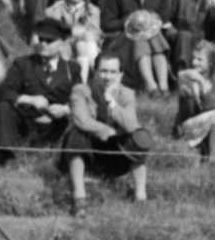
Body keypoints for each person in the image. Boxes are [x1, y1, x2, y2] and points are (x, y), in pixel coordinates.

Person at [63, 52, 152, 212]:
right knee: (76, 133)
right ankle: (79, 197)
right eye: (103, 71)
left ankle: (140, 197)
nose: (107, 77)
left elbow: (131, 125)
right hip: (89, 150)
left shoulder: (127, 93)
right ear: (95, 71)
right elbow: (81, 120)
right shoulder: (80, 90)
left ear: (120, 74)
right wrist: (110, 130)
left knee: (140, 137)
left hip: (115, 153)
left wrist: (110, 100)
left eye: (113, 72)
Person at [0, 20, 82, 163]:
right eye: (41, 39)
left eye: (50, 40)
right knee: (4, 106)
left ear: (62, 42)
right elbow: (3, 92)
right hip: (26, 121)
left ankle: (66, 157)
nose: (43, 44)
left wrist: (66, 109)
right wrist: (30, 99)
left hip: (55, 124)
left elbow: (82, 99)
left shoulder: (71, 69)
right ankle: (6, 154)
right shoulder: (23, 64)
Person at [99, 0, 174, 93]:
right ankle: (151, 85)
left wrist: (148, 21)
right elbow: (107, 23)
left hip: (154, 36)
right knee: (141, 36)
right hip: (122, 38)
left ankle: (163, 87)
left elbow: (164, 16)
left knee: (150, 35)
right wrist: (130, 21)